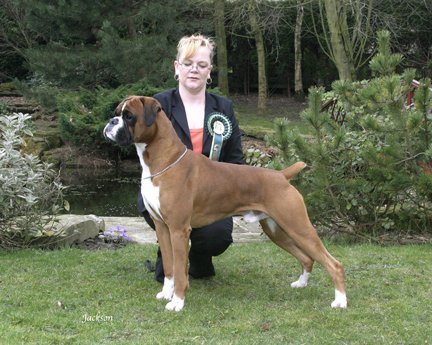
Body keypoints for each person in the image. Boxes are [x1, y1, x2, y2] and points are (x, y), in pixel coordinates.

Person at [138, 34, 244, 283]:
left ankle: (197, 258)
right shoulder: (158, 104)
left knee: (217, 235)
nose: (194, 70)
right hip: (164, 192)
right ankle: (169, 258)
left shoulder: (224, 107)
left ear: (210, 71)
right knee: (169, 216)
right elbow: (144, 151)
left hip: (209, 196)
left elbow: (235, 161)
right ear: (177, 67)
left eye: (202, 65)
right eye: (188, 63)